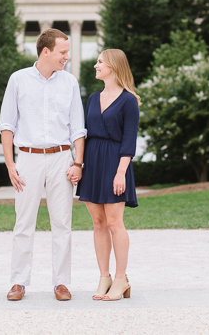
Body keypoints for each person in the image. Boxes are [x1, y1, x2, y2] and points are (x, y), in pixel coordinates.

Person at [0, 28, 86, 302]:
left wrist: (78, 163)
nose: (67, 58)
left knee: (63, 224)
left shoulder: (69, 82)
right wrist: (10, 164)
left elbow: (78, 129)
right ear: (45, 51)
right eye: (62, 52)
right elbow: (7, 125)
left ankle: (61, 283)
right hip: (27, 158)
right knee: (24, 223)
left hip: (62, 158)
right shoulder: (18, 80)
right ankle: (18, 282)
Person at [72, 48, 140, 301]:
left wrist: (121, 172)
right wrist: (78, 164)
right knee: (98, 224)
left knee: (114, 223)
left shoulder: (129, 100)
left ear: (113, 66)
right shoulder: (91, 98)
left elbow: (129, 140)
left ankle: (121, 279)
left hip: (115, 163)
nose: (96, 66)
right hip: (93, 162)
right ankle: (104, 277)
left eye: (100, 62)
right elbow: (83, 133)